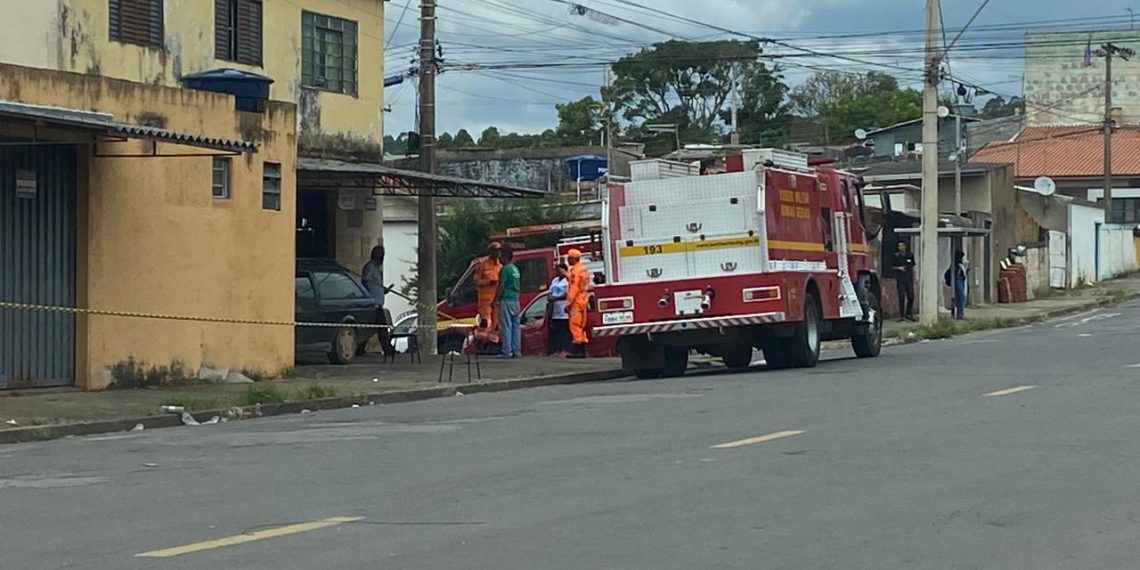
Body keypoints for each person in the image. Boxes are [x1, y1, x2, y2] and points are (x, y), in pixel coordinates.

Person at [361, 245, 394, 356]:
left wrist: (384, 290)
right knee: (382, 329)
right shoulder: (370, 267)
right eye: (380, 253)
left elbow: (376, 286)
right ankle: (388, 350)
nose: (381, 256)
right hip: (373, 304)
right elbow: (366, 281)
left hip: (378, 303)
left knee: (369, 328)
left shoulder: (377, 268)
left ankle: (360, 349)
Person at [495, 247, 522, 358]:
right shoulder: (515, 269)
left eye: (501, 255)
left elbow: (501, 285)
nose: (499, 258)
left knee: (506, 325)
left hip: (506, 299)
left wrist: (496, 298)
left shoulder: (505, 269)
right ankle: (517, 350)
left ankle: (507, 351)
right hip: (515, 299)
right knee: (516, 325)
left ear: (505, 256)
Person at [473, 243, 502, 343]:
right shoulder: (483, 265)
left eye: (499, 250)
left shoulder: (500, 266)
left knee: (496, 324)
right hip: (485, 301)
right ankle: (483, 344)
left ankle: (494, 344)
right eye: (496, 250)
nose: (498, 253)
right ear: (491, 252)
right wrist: (489, 282)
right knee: (485, 323)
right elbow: (476, 282)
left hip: (496, 299)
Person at [565, 249, 591, 359]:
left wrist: (568, 303)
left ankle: (577, 351)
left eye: (569, 258)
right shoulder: (583, 269)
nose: (567, 260)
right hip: (583, 299)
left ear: (573, 259)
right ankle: (582, 349)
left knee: (574, 325)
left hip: (576, 301)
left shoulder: (575, 271)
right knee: (581, 325)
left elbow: (574, 288)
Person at [546, 264, 571, 356]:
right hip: (555, 311)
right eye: (557, 270)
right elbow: (549, 293)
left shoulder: (567, 281)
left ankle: (565, 350)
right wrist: (551, 297)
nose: (559, 272)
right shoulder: (555, 281)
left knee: (564, 331)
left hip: (563, 311)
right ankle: (557, 350)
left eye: (561, 270)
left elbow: (566, 294)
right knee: (556, 332)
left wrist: (555, 298)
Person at [891, 240, 916, 322]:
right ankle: (902, 316)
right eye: (899, 246)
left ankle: (908, 314)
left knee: (911, 296)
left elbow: (913, 265)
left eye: (902, 245)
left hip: (909, 278)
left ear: (905, 247)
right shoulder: (896, 256)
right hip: (900, 279)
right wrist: (899, 268)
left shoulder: (910, 255)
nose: (901, 247)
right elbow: (892, 266)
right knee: (901, 297)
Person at [950, 250, 969, 320]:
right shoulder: (955, 264)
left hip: (961, 280)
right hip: (958, 280)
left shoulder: (960, 264)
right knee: (960, 297)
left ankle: (961, 313)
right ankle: (959, 314)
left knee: (962, 297)